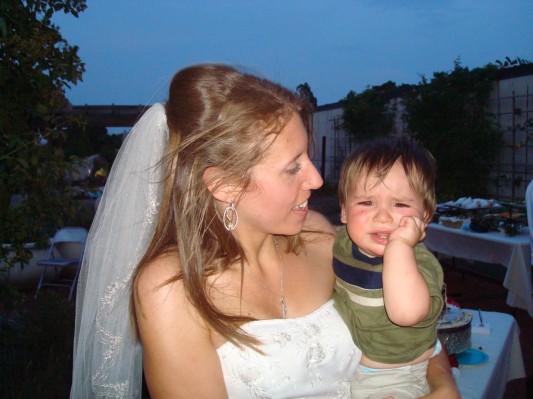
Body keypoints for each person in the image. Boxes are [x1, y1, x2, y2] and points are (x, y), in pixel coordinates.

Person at [70, 64, 459, 398]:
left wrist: (442, 382)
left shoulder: (322, 237)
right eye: (293, 167)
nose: (317, 178)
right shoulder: (172, 287)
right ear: (224, 185)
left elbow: (404, 322)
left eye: (308, 156)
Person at [333, 136, 445, 398]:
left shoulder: (418, 264)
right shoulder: (342, 242)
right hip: (345, 367)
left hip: (395, 377)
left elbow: (405, 313)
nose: (382, 216)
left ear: (425, 216)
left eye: (400, 204)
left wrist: (399, 247)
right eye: (366, 202)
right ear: (345, 212)